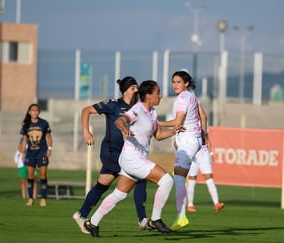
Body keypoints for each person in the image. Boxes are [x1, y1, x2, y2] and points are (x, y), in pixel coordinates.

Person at [84, 80, 183, 237]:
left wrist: (174, 131)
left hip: (133, 159)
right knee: (167, 180)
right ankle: (155, 219)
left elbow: (158, 135)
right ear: (148, 96)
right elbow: (120, 120)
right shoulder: (137, 109)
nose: (161, 95)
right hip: (132, 159)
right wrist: (124, 127)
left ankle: (92, 223)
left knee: (120, 194)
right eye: (158, 92)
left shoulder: (153, 113)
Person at [72, 76, 150, 234]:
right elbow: (86, 110)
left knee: (102, 185)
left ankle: (81, 215)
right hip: (111, 151)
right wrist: (86, 132)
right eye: (134, 87)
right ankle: (142, 219)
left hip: (127, 152)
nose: (137, 90)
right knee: (140, 176)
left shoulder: (139, 107)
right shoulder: (113, 104)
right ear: (126, 90)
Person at [158, 70, 203, 231]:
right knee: (179, 176)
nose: (175, 85)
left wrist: (156, 123)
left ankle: (181, 216)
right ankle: (181, 215)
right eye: (173, 82)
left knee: (177, 178)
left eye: (178, 82)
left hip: (188, 142)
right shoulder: (193, 97)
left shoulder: (183, 98)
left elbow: (177, 121)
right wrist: (202, 138)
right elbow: (202, 116)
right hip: (193, 140)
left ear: (186, 83)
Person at [186, 104, 224, 212]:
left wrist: (211, 152)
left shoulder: (203, 123)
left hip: (203, 152)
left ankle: (216, 203)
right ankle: (190, 204)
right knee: (192, 178)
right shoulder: (188, 123)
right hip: (193, 152)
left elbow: (206, 137)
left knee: (209, 177)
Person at [20, 103, 52, 207]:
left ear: (39, 112)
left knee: (43, 175)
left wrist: (49, 149)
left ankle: (43, 198)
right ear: (29, 112)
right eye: (32, 110)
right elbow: (24, 140)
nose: (35, 112)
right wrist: (23, 153)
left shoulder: (44, 123)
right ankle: (30, 199)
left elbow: (49, 137)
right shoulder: (26, 124)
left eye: (36, 110)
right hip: (31, 154)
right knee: (30, 176)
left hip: (42, 153)